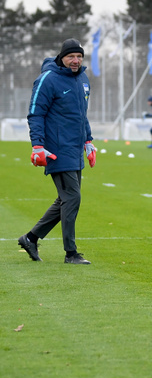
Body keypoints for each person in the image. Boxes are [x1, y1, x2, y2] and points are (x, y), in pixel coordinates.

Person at [18, 38, 95, 265]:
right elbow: (35, 113)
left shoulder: (83, 79)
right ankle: (71, 253)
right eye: (71, 56)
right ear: (61, 57)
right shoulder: (47, 79)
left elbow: (82, 114)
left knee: (65, 199)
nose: (76, 60)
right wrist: (38, 145)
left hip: (74, 149)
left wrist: (88, 141)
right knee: (72, 198)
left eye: (79, 57)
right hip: (56, 149)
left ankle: (30, 238)